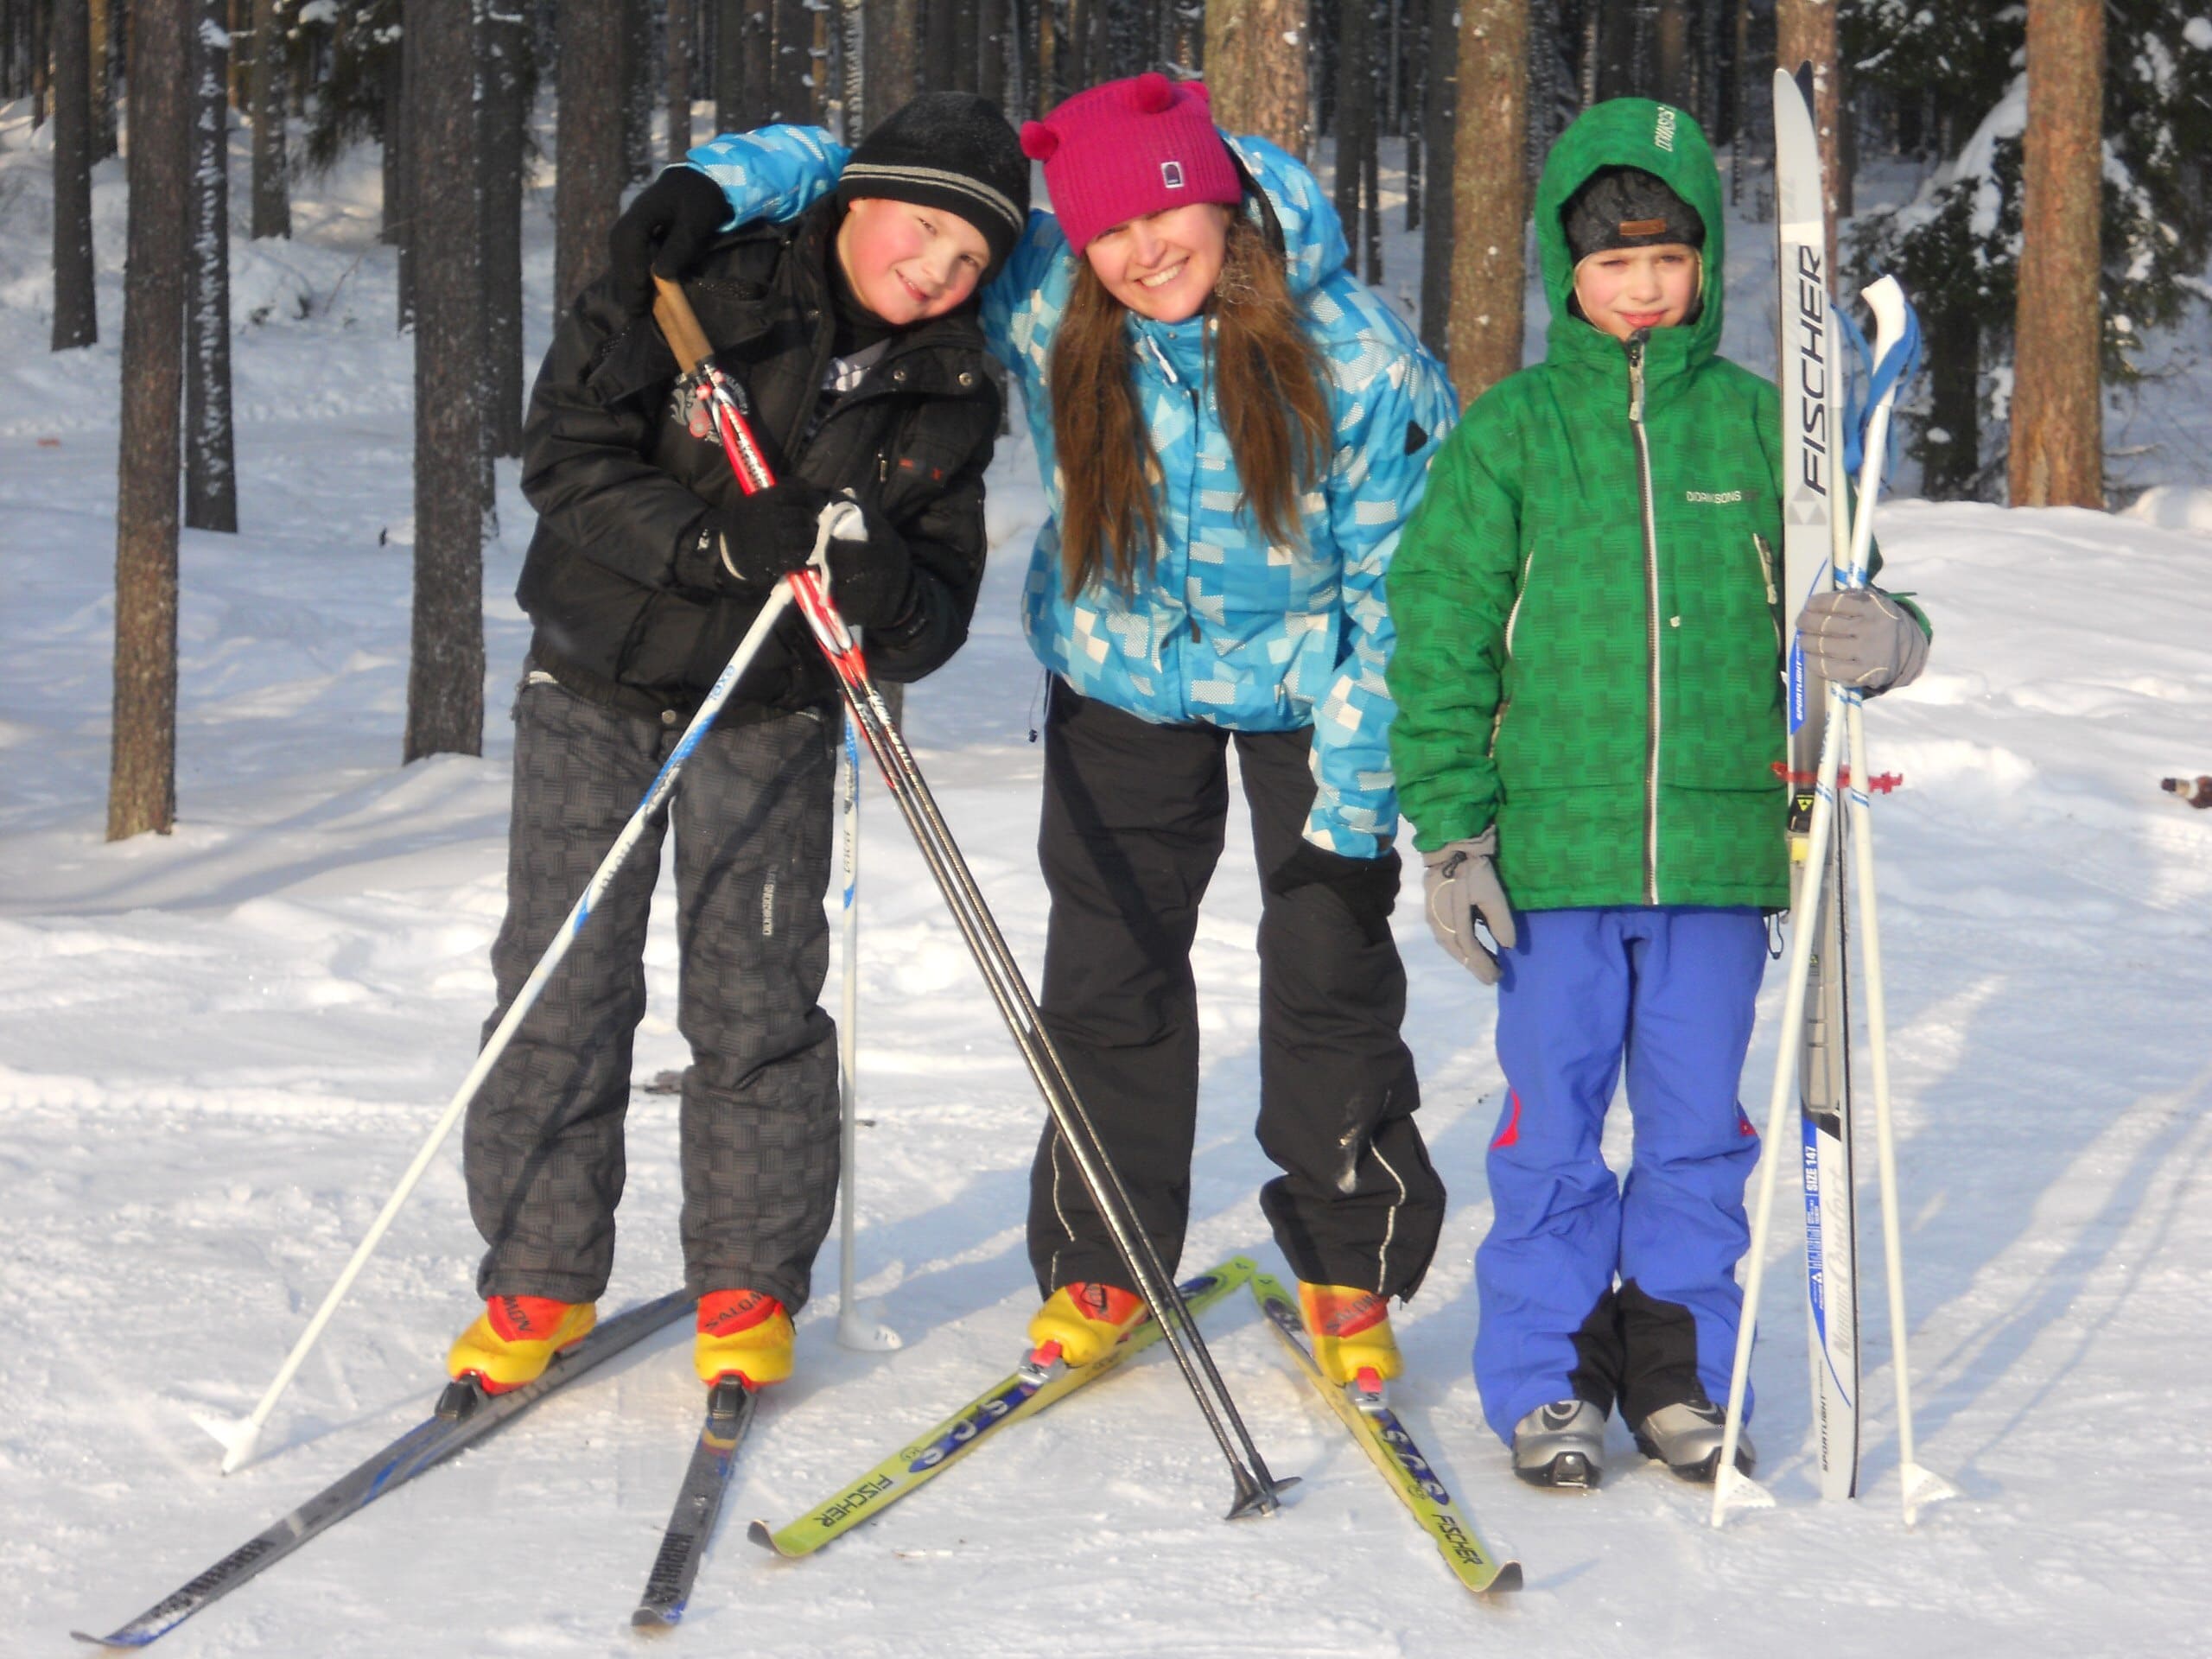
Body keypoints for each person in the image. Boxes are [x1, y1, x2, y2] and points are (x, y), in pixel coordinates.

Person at [626, 73, 1459, 1389]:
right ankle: (1104, 1257)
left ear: (1222, 203)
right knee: (1109, 978)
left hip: (1318, 693)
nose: (1141, 255)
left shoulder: (1355, 355)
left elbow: (1409, 599)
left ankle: (1350, 1264)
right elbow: (883, 180)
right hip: (1120, 681)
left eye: (1166, 219)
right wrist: (720, 182)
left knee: (1327, 965)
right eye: (1110, 232)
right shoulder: (1051, 301)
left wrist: (1357, 804)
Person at [447, 93, 1030, 1399]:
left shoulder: (949, 392)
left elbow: (934, 614)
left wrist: (883, 598)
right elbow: (567, 457)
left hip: (769, 716)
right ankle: (539, 1274)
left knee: (758, 999)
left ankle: (747, 1281)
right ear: (858, 197)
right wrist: (710, 546)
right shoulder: (702, 284)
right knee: (561, 979)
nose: (933, 270)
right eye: (924, 227)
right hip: (597, 682)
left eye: (969, 260)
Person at [1386, 99, 1929, 1487]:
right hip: (1555, 859)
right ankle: (1549, 1373)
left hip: (1721, 849)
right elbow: (1440, 627)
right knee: (1550, 1131)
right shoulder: (1511, 432)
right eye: (1613, 260)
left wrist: (1892, 637)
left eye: (1668, 259)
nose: (1642, 285)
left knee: (1697, 1131)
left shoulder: (1766, 432)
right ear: (1567, 270)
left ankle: (1678, 1367)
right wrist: (1452, 830)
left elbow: (1855, 581)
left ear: (1705, 268)